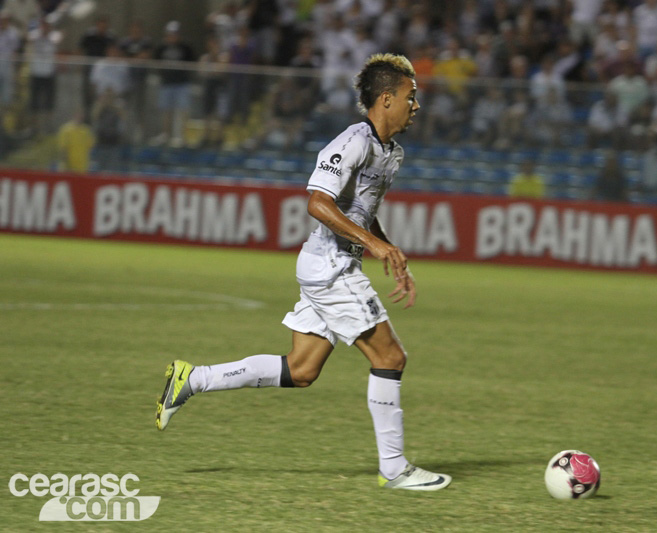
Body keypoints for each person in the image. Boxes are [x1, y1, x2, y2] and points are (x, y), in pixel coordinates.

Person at [155, 53, 452, 492]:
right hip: (329, 266)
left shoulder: (392, 152)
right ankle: (395, 469)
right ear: (386, 99)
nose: (416, 105)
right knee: (390, 358)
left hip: (333, 264)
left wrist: (386, 247)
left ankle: (192, 379)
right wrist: (373, 244)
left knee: (302, 369)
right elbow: (317, 201)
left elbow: (362, 210)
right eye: (411, 96)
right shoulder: (351, 141)